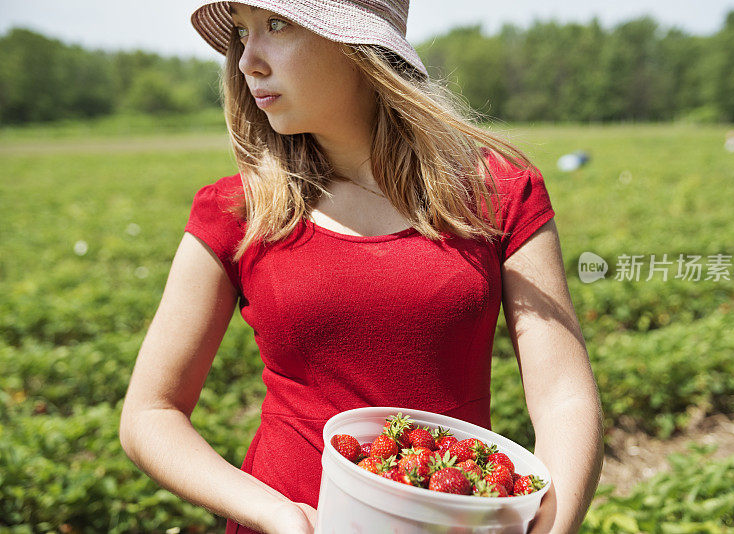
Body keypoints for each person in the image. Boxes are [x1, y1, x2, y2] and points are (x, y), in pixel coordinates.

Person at [118, 1, 604, 533]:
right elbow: (150, 413)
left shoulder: (498, 195)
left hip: (452, 521)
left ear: (358, 47)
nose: (246, 61)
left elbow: (564, 394)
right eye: (242, 32)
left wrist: (553, 524)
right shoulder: (238, 210)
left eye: (277, 25)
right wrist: (276, 512)